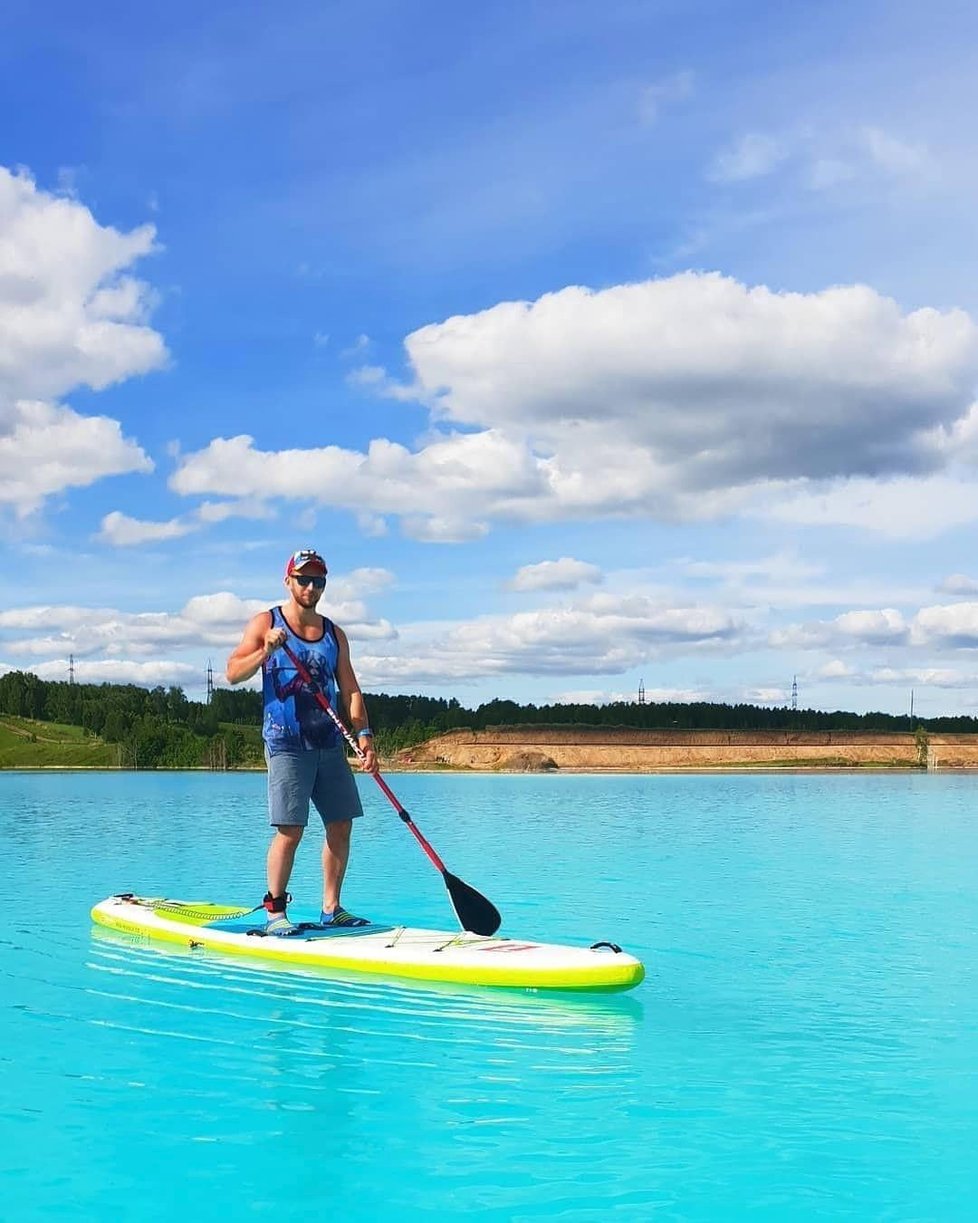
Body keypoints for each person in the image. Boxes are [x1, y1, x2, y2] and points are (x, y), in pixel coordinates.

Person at [226, 548, 378, 935]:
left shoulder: (333, 633)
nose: (311, 586)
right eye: (304, 579)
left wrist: (364, 736)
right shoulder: (266, 622)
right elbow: (232, 673)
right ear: (288, 580)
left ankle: (332, 909)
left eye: (318, 580)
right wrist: (266, 650)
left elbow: (351, 688)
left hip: (330, 742)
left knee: (341, 823)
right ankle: (275, 912)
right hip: (286, 743)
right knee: (290, 829)